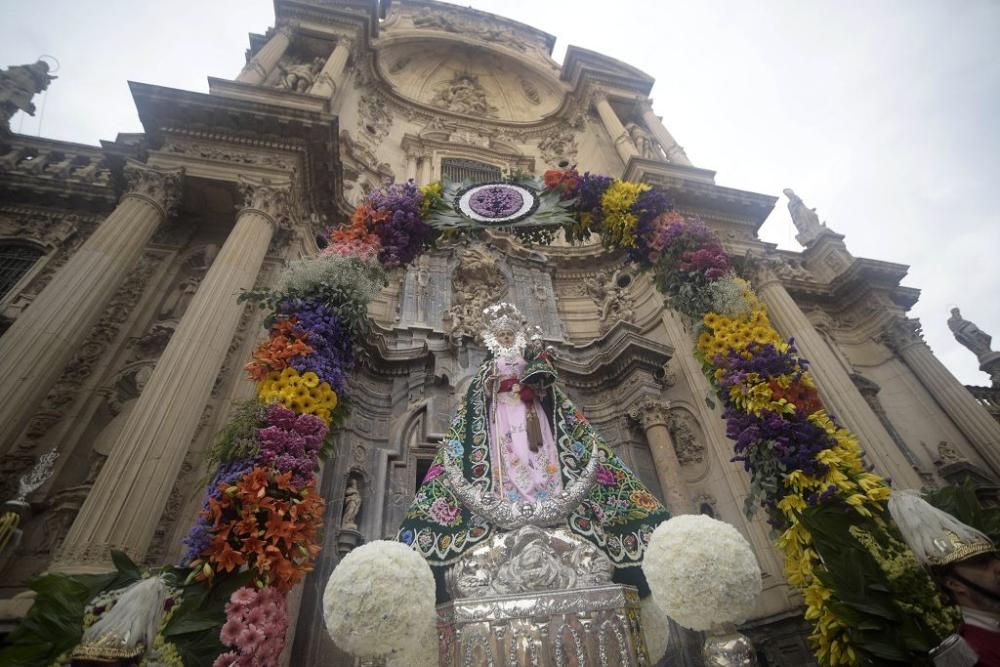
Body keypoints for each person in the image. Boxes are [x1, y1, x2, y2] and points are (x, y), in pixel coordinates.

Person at [397, 303, 669, 600]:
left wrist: (538, 369)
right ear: (493, 337)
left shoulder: (527, 356)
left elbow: (546, 379)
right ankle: (511, 497)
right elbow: (481, 392)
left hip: (531, 413)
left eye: (508, 333)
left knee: (538, 454)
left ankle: (545, 496)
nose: (504, 338)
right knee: (509, 453)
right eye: (499, 334)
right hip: (502, 415)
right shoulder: (491, 364)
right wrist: (493, 385)